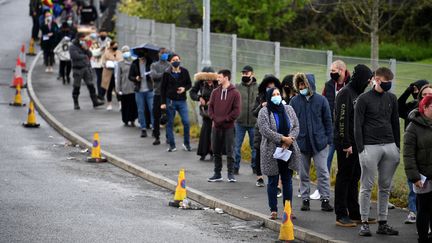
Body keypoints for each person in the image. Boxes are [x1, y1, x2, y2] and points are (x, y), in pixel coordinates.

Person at [354, 67, 400, 237]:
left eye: (390, 82)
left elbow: (395, 122)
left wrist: (397, 147)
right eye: (386, 82)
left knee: (385, 186)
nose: (389, 85)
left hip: (389, 145)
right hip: (369, 146)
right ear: (377, 80)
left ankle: (383, 222)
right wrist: (361, 149)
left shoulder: (392, 98)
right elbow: (357, 125)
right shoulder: (363, 99)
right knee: (366, 186)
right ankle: (364, 223)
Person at [333, 64, 373, 227]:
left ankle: (354, 212)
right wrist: (346, 143)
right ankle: (341, 214)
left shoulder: (358, 93)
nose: (369, 82)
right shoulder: (346, 93)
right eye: (368, 79)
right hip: (346, 144)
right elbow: (341, 120)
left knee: (355, 177)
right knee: (344, 177)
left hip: (357, 143)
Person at [289, 73, 333, 212]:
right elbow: (290, 122)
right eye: (300, 84)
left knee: (323, 172)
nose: (302, 87)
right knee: (303, 173)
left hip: (320, 143)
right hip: (301, 144)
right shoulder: (294, 102)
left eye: (304, 84)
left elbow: (328, 121)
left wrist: (328, 140)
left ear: (310, 84)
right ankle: (305, 199)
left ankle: (325, 199)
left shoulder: (321, 100)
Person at [258, 87, 301, 220]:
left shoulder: (288, 109)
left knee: (287, 180)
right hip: (272, 151)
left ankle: (288, 209)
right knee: (273, 180)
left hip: (287, 150)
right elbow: (265, 130)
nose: (277, 96)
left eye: (278, 94)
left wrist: (289, 140)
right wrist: (282, 138)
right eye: (274, 94)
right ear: (269, 97)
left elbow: (296, 127)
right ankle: (274, 210)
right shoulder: (264, 111)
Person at [398, 79, 429, 224]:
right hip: (415, 153)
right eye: (424, 94)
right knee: (414, 185)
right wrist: (407, 91)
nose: (427, 96)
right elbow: (398, 108)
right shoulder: (412, 108)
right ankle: (413, 211)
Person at [403, 95, 432, 243]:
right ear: (424, 108)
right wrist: (414, 177)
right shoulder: (413, 127)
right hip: (423, 176)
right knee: (424, 209)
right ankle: (422, 238)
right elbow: (408, 154)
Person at [207, 69, 241, 182]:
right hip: (216, 126)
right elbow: (210, 108)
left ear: (226, 78)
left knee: (230, 151)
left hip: (229, 127)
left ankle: (230, 174)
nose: (217, 79)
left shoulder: (235, 93)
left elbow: (236, 111)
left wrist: (225, 119)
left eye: (219, 77)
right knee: (216, 150)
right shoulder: (215, 92)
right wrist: (214, 118)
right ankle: (217, 174)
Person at [252, 75, 281, 187]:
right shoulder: (260, 97)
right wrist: (261, 106)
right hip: (260, 130)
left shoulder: (278, 97)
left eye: (272, 87)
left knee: (275, 156)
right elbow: (254, 112)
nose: (270, 89)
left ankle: (276, 181)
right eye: (268, 87)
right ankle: (259, 177)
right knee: (259, 152)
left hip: (275, 131)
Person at [323, 60, 351, 175]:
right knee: (326, 159)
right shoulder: (329, 85)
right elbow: (323, 105)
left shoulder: (351, 85)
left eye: (333, 70)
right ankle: (322, 189)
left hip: (346, 131)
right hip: (331, 129)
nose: (331, 73)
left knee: (345, 163)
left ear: (341, 70)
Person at [160, 54, 192, 152]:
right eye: (173, 60)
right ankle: (172, 145)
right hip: (170, 102)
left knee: (186, 122)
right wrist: (163, 102)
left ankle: (186, 144)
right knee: (170, 123)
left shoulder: (185, 72)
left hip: (182, 101)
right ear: (170, 62)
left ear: (180, 60)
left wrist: (184, 89)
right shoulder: (167, 73)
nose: (176, 61)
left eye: (177, 59)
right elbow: (163, 89)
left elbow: (189, 84)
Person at [69, 32, 104, 110]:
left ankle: (95, 102)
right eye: (82, 38)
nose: (83, 40)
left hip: (86, 68)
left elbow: (90, 54)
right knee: (76, 87)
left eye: (84, 39)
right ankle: (76, 103)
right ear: (78, 38)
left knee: (91, 85)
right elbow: (75, 56)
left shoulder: (83, 46)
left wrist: (86, 49)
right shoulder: (72, 47)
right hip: (77, 69)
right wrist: (85, 56)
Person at [190, 67, 218, 160]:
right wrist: (199, 98)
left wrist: (213, 101)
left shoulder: (217, 83)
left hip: (216, 111)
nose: (209, 80)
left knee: (214, 131)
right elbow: (192, 92)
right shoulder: (200, 82)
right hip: (205, 111)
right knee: (205, 130)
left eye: (211, 78)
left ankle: (213, 152)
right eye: (207, 78)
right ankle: (203, 152)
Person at [234, 65, 257, 175]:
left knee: (255, 147)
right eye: (243, 73)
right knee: (237, 146)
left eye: (246, 73)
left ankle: (255, 167)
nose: (244, 75)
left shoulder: (258, 87)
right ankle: (235, 167)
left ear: (252, 74)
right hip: (240, 122)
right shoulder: (237, 87)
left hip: (254, 122)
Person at [129, 54, 154, 138]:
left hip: (149, 90)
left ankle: (154, 128)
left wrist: (151, 76)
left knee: (152, 109)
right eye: (140, 57)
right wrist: (135, 78)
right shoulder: (134, 64)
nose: (142, 59)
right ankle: (143, 128)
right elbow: (130, 76)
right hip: (139, 91)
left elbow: (154, 74)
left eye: (143, 57)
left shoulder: (150, 63)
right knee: (140, 110)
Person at [149, 48, 171, 145]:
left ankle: (168, 137)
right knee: (156, 115)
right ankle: (157, 136)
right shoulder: (154, 65)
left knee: (168, 116)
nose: (164, 54)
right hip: (157, 94)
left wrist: (161, 75)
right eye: (162, 53)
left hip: (167, 95)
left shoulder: (169, 65)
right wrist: (165, 74)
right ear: (158, 54)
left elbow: (170, 77)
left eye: (166, 53)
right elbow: (154, 76)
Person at [115, 46, 137, 127]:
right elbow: (117, 77)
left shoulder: (134, 62)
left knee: (133, 105)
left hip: (133, 87)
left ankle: (132, 120)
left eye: (127, 51)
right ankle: (125, 120)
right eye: (124, 51)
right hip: (124, 87)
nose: (125, 52)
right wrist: (118, 89)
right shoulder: (120, 64)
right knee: (125, 105)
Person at [101, 41, 123, 110]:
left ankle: (120, 104)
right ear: (111, 46)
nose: (115, 47)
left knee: (118, 89)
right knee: (109, 89)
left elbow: (121, 60)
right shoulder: (106, 53)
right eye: (114, 46)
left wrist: (116, 62)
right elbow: (103, 62)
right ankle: (109, 104)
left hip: (117, 74)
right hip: (109, 74)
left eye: (116, 45)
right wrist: (107, 63)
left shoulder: (119, 52)